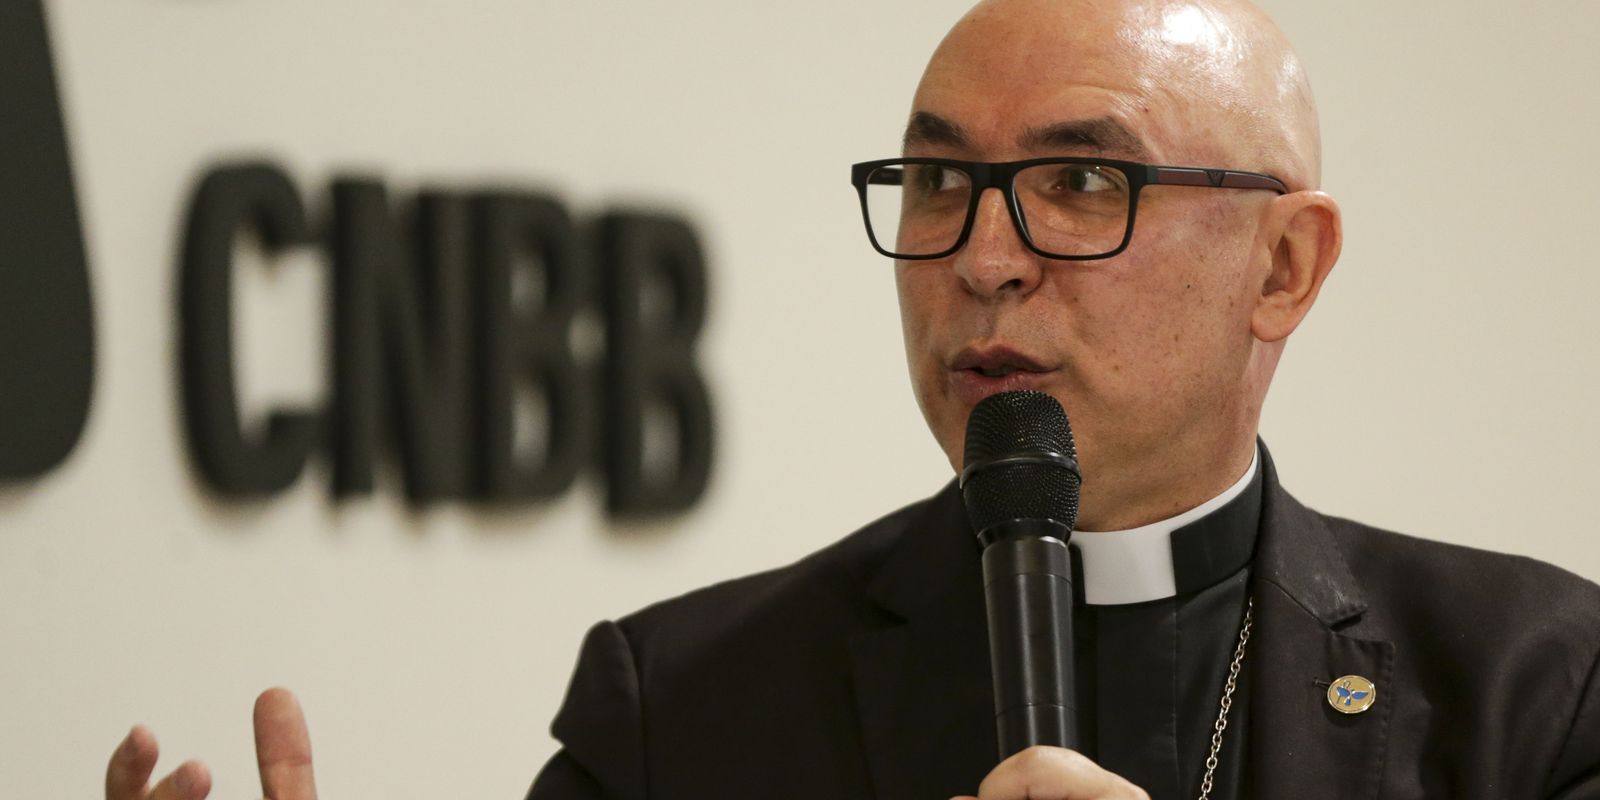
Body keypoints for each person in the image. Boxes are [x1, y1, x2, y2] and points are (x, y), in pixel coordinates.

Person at [104, 0, 1600, 798]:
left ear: (1283, 265)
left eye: (1083, 181)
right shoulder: (683, 712)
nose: (985, 258)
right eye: (940, 179)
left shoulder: (1538, 690)